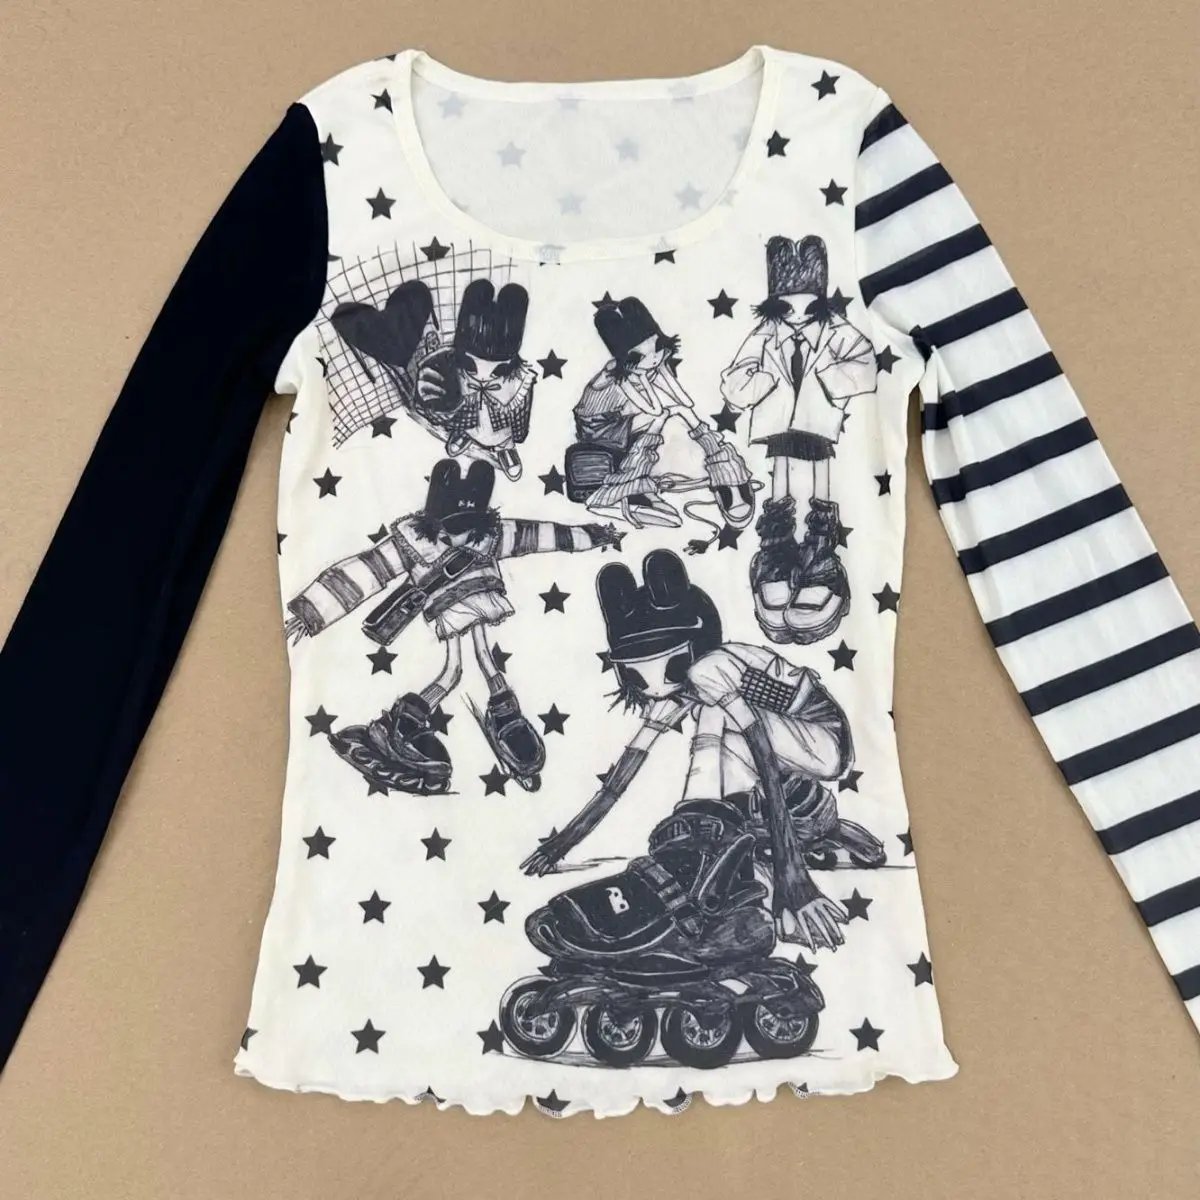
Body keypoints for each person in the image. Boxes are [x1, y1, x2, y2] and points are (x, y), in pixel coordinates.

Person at [720, 235, 878, 644]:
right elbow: (734, 381)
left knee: (820, 472)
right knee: (782, 474)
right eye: (788, 308)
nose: (798, 317)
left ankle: (820, 552)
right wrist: (764, 382)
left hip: (818, 419)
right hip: (776, 421)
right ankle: (777, 551)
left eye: (808, 307)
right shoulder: (764, 334)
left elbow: (866, 364)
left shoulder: (837, 331)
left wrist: (828, 382)